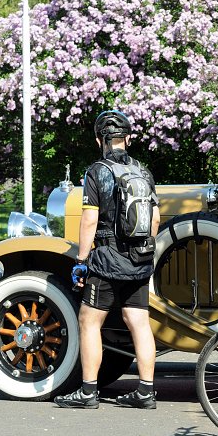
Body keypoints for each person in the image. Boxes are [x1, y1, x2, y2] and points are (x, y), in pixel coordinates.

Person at [54, 110, 161, 410]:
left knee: (89, 320)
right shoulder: (143, 171)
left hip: (106, 259)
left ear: (100, 139)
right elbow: (155, 220)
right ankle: (146, 391)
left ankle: (88, 391)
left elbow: (90, 219)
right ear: (127, 138)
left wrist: (81, 259)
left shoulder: (96, 171)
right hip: (140, 257)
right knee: (139, 321)